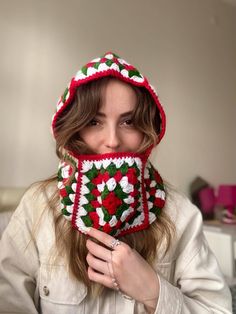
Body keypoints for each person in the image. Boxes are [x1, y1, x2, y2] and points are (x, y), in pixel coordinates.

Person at [0, 52, 232, 314]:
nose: (112, 140)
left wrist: (153, 291)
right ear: (74, 128)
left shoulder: (180, 215)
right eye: (94, 121)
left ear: (147, 128)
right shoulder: (37, 206)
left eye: (128, 121)